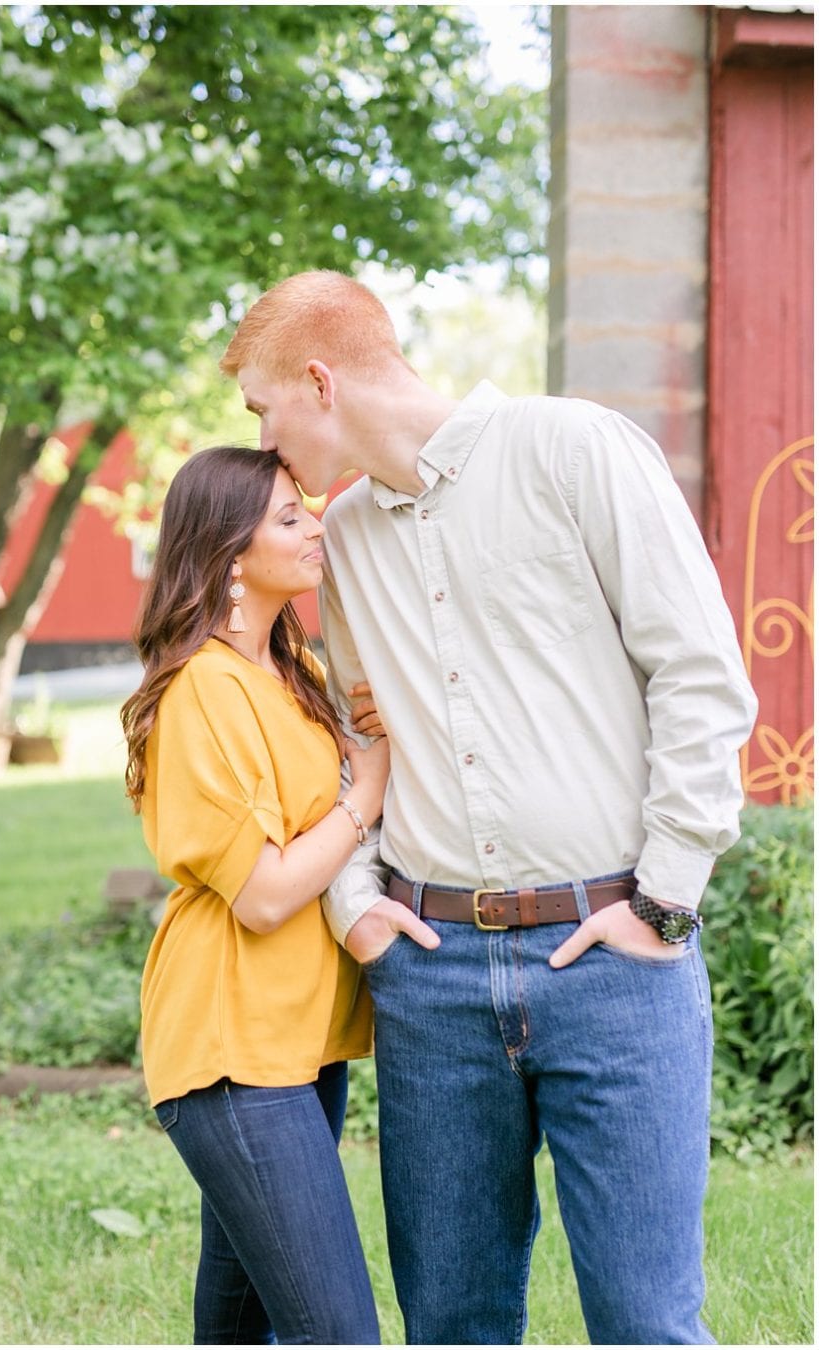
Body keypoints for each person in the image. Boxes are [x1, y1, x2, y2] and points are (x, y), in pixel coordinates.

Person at [221, 269, 758, 1344]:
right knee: (454, 1322)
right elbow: (358, 733)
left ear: (319, 381)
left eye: (261, 408)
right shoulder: (352, 537)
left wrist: (663, 903)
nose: (263, 441)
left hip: (616, 961)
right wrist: (358, 907)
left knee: (646, 1321)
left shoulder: (574, 449)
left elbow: (700, 677)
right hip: (433, 977)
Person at [121, 445, 404, 1345]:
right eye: (288, 516)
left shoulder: (292, 673)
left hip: (300, 1041)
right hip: (232, 1044)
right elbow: (267, 893)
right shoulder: (203, 686)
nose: (315, 524)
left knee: (236, 1325)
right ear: (227, 550)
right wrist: (366, 794)